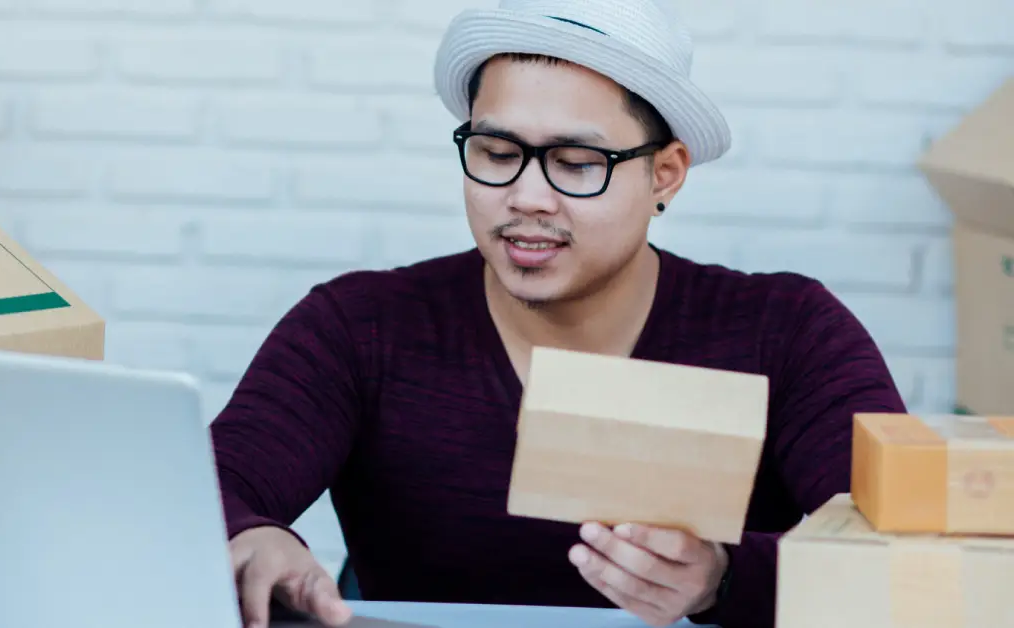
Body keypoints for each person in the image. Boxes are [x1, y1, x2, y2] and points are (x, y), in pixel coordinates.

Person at [210, 1, 906, 627]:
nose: (527, 197)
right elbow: (208, 485)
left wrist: (722, 580)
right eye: (497, 153)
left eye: (576, 162)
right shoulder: (360, 327)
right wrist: (250, 535)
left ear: (664, 173)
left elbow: (907, 549)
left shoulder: (787, 330)